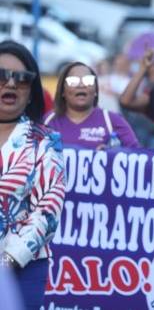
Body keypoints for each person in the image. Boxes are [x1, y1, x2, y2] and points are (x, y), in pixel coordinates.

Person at [0, 40, 65, 309]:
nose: (11, 84)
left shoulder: (45, 141)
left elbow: (48, 209)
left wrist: (7, 263)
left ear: (31, 91)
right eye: (2, 75)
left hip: (21, 269)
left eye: (22, 79)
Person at [45, 62, 139, 149]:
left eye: (88, 80)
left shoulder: (112, 120)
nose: (81, 85)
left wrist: (113, 155)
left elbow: (138, 156)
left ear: (95, 90)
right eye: (73, 81)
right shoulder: (47, 121)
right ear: (63, 91)